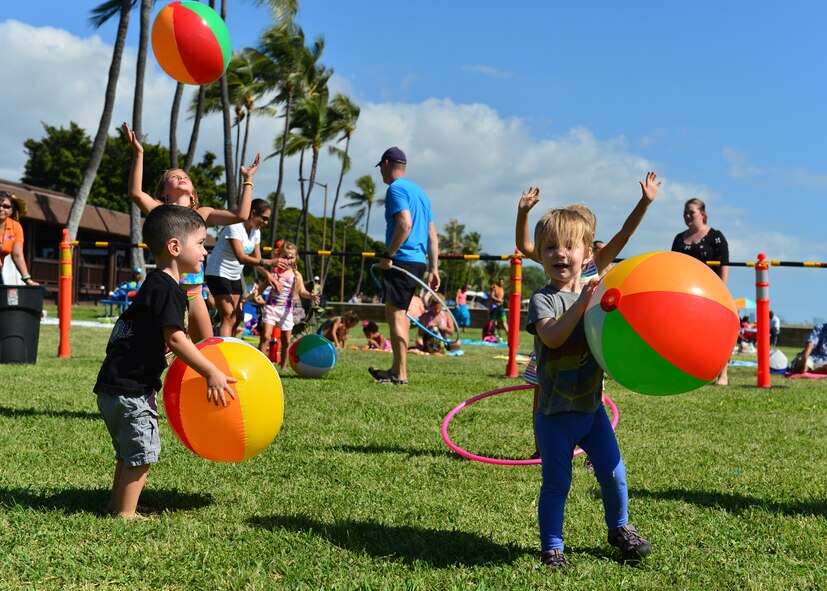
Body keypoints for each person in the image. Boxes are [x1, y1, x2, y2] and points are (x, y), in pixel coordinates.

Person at [523, 174, 660, 569]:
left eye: (569, 246)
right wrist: (583, 303)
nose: (560, 253)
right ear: (540, 255)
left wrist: (645, 203)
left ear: (587, 253)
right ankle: (552, 547)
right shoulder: (544, 300)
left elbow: (624, 237)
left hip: (591, 410)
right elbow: (553, 338)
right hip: (554, 415)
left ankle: (620, 528)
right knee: (557, 484)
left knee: (615, 474)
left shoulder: (596, 293)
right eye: (550, 247)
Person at [94, 205, 236, 520]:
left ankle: (117, 503)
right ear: (175, 247)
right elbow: (176, 339)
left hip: (114, 386)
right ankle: (126, 513)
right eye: (200, 244)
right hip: (131, 389)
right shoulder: (169, 290)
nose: (205, 251)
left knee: (128, 452)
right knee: (141, 452)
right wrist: (210, 370)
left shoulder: (153, 284)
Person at [123, 122, 259, 343]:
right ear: (163, 191)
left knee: (206, 346)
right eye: (174, 177)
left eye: (184, 175)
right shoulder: (161, 211)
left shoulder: (202, 213)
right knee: (167, 348)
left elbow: (242, 215)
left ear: (193, 191)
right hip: (169, 290)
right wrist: (138, 153)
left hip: (195, 292)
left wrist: (248, 180)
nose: (181, 177)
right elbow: (136, 193)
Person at [368, 147, 439, 385]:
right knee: (402, 315)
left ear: (386, 163)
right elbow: (432, 235)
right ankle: (395, 369)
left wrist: (388, 255)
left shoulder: (395, 189)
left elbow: (405, 224)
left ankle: (400, 374)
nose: (381, 172)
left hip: (401, 260)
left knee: (396, 316)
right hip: (418, 262)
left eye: (381, 167)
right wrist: (434, 269)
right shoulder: (421, 193)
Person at [671, 197, 731, 385]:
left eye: (691, 212)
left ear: (702, 214)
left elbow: (724, 264)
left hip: (711, 292)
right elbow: (672, 265)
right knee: (682, 332)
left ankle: (723, 374)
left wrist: (722, 291)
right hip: (683, 292)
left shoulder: (716, 236)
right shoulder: (679, 238)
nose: (687, 216)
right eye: (685, 213)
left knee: (717, 332)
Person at [204, 199, 280, 337]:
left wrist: (268, 275)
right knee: (228, 316)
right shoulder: (234, 226)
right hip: (217, 273)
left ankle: (231, 347)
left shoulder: (256, 232)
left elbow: (257, 261)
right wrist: (269, 262)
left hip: (234, 276)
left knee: (237, 317)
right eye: (264, 218)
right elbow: (241, 257)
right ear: (253, 213)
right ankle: (224, 349)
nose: (266, 222)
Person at [257, 241, 318, 371]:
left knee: (286, 341)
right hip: (271, 308)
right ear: (279, 256)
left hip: (286, 310)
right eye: (285, 256)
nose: (288, 260)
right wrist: (251, 298)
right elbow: (261, 289)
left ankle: (283, 366)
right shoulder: (274, 274)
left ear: (295, 258)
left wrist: (310, 295)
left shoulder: (296, 276)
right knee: (266, 336)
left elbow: (302, 291)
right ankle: (260, 364)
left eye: (291, 257)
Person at [0, 191, 38, 286]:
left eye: (6, 206)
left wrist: (27, 280)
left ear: (11, 210)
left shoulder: (15, 227)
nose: (1, 209)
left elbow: (17, 255)